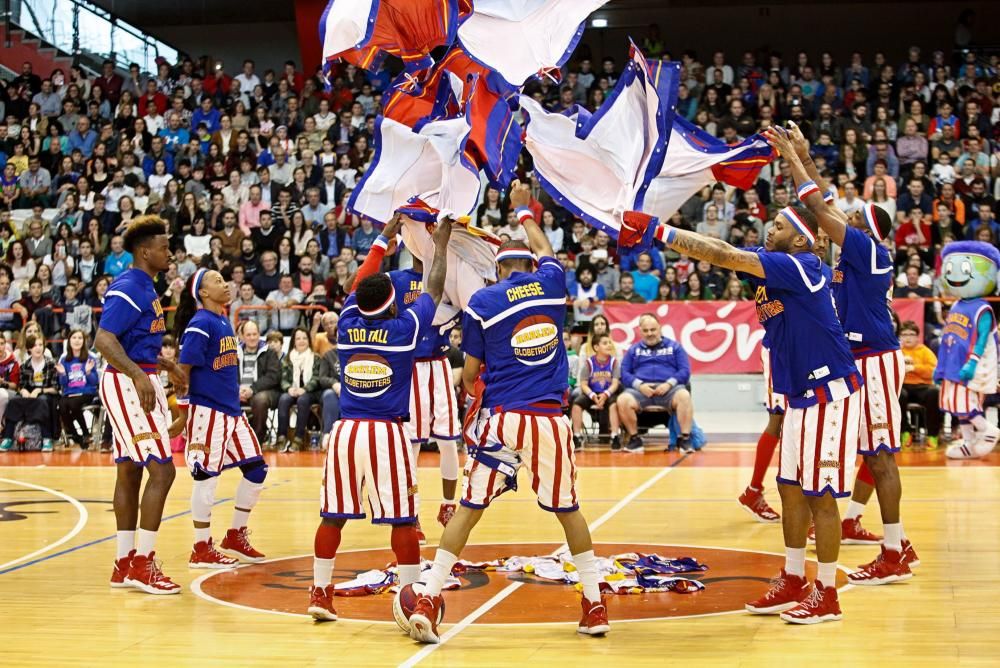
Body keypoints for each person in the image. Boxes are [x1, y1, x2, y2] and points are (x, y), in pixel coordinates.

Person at [401, 181, 609, 643]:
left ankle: (431, 596)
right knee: (568, 510)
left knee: (470, 508)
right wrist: (523, 210)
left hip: (504, 419)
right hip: (550, 420)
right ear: (531, 267)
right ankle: (595, 604)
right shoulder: (553, 285)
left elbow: (472, 374)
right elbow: (544, 245)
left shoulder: (483, 301)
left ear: (497, 271)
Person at [654, 199, 861, 624]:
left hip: (829, 391)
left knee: (819, 496)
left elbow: (724, 254)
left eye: (780, 226)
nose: (771, 229)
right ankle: (792, 578)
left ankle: (826, 593)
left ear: (801, 239)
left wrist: (660, 233)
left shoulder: (802, 265)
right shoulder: (773, 265)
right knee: (788, 487)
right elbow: (723, 252)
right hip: (797, 392)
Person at [768, 123, 916, 586]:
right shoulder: (853, 255)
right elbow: (824, 203)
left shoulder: (869, 251)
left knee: (881, 457)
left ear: (864, 232)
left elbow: (816, 206)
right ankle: (878, 535)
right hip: (858, 359)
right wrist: (807, 158)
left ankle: (895, 550)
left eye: (851, 222)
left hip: (874, 357)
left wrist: (793, 158)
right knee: (870, 454)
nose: (842, 222)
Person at [307, 216, 452, 623]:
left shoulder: (348, 324)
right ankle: (410, 598)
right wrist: (438, 247)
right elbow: (435, 288)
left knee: (332, 515)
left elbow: (359, 283)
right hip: (386, 432)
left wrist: (385, 236)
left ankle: (320, 592)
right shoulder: (405, 329)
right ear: (391, 302)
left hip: (346, 431)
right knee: (403, 519)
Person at [348, 214, 462, 543]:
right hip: (407, 368)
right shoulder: (393, 279)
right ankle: (412, 513)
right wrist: (383, 243)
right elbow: (356, 287)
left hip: (438, 362)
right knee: (410, 445)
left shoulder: (445, 276)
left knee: (449, 441)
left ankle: (448, 505)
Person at [95, 215, 182, 595]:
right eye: (163, 248)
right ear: (144, 251)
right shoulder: (129, 286)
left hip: (138, 377)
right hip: (127, 383)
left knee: (130, 470)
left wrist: (161, 364)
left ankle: (123, 563)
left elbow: (133, 340)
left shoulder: (147, 286)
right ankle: (143, 565)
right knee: (163, 472)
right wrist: (139, 375)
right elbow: (103, 339)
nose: (169, 253)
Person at [173, 269, 267, 568]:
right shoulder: (200, 323)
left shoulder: (223, 320)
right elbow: (182, 374)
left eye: (225, 279)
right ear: (202, 292)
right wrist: (183, 416)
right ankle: (201, 548)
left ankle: (235, 535)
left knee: (256, 468)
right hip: (208, 410)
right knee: (206, 477)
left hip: (231, 412)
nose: (224, 284)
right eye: (216, 280)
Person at [737, 226, 833, 523]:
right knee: (783, 421)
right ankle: (760, 490)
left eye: (827, 241)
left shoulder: (821, 273)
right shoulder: (769, 261)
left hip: (806, 357)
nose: (822, 244)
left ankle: (783, 495)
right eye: (819, 238)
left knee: (797, 425)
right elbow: (731, 257)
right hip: (781, 353)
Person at [616, 315, 695, 454]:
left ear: (660, 329)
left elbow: (685, 371)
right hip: (641, 391)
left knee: (684, 395)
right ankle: (635, 440)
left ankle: (685, 440)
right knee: (622, 400)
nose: (650, 333)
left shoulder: (675, 347)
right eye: (646, 330)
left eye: (653, 329)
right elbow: (624, 373)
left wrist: (668, 384)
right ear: (640, 331)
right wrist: (639, 385)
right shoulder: (633, 350)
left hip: (669, 390)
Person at [0, 334, 59, 451]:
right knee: (14, 401)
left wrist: (40, 390)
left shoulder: (51, 364)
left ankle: (47, 438)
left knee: (41, 401)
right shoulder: (25, 366)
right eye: (34, 345)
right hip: (29, 393)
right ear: (29, 349)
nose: (38, 348)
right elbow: (21, 386)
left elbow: (55, 388)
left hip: (46, 393)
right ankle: (8, 437)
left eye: (40, 345)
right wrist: (23, 390)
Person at [571, 333, 622, 450]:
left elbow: (615, 383)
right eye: (605, 343)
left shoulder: (614, 363)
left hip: (608, 393)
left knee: (614, 405)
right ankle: (577, 436)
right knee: (576, 405)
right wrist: (593, 395)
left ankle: (615, 436)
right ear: (596, 347)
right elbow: (583, 384)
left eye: (609, 342)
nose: (609, 345)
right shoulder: (589, 363)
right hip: (592, 393)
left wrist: (605, 394)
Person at [275, 327, 321, 452]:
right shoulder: (287, 358)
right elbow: (283, 379)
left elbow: (317, 378)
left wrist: (305, 389)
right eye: (298, 338)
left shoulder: (315, 358)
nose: (301, 341)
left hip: (310, 393)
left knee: (303, 400)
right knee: (283, 399)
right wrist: (288, 388)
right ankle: (281, 437)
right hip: (292, 391)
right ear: (293, 341)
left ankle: (298, 438)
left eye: (304, 338)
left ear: (309, 340)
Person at [236, 319, 281, 445]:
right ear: (242, 336)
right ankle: (231, 441)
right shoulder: (234, 353)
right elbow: (227, 375)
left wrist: (252, 389)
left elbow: (273, 377)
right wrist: (237, 389)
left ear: (259, 334)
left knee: (260, 400)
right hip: (239, 391)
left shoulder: (269, 352)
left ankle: (256, 441)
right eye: (248, 335)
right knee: (221, 396)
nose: (252, 338)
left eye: (254, 334)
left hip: (264, 391)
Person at [897, 321, 941, 449]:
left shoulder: (925, 351)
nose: (908, 337)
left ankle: (932, 435)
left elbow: (933, 372)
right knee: (899, 394)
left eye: (911, 334)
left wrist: (914, 368)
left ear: (917, 337)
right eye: (904, 334)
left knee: (934, 392)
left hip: (922, 387)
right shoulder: (896, 351)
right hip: (903, 386)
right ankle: (905, 432)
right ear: (900, 337)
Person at [57, 329, 100, 449]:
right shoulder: (64, 359)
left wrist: (87, 372)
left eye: (80, 338)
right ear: (69, 341)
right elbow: (63, 384)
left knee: (73, 405)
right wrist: (63, 374)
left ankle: (85, 434)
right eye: (74, 338)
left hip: (87, 392)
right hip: (69, 392)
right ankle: (77, 437)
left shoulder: (91, 357)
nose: (77, 340)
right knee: (62, 406)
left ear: (84, 341)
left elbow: (95, 382)